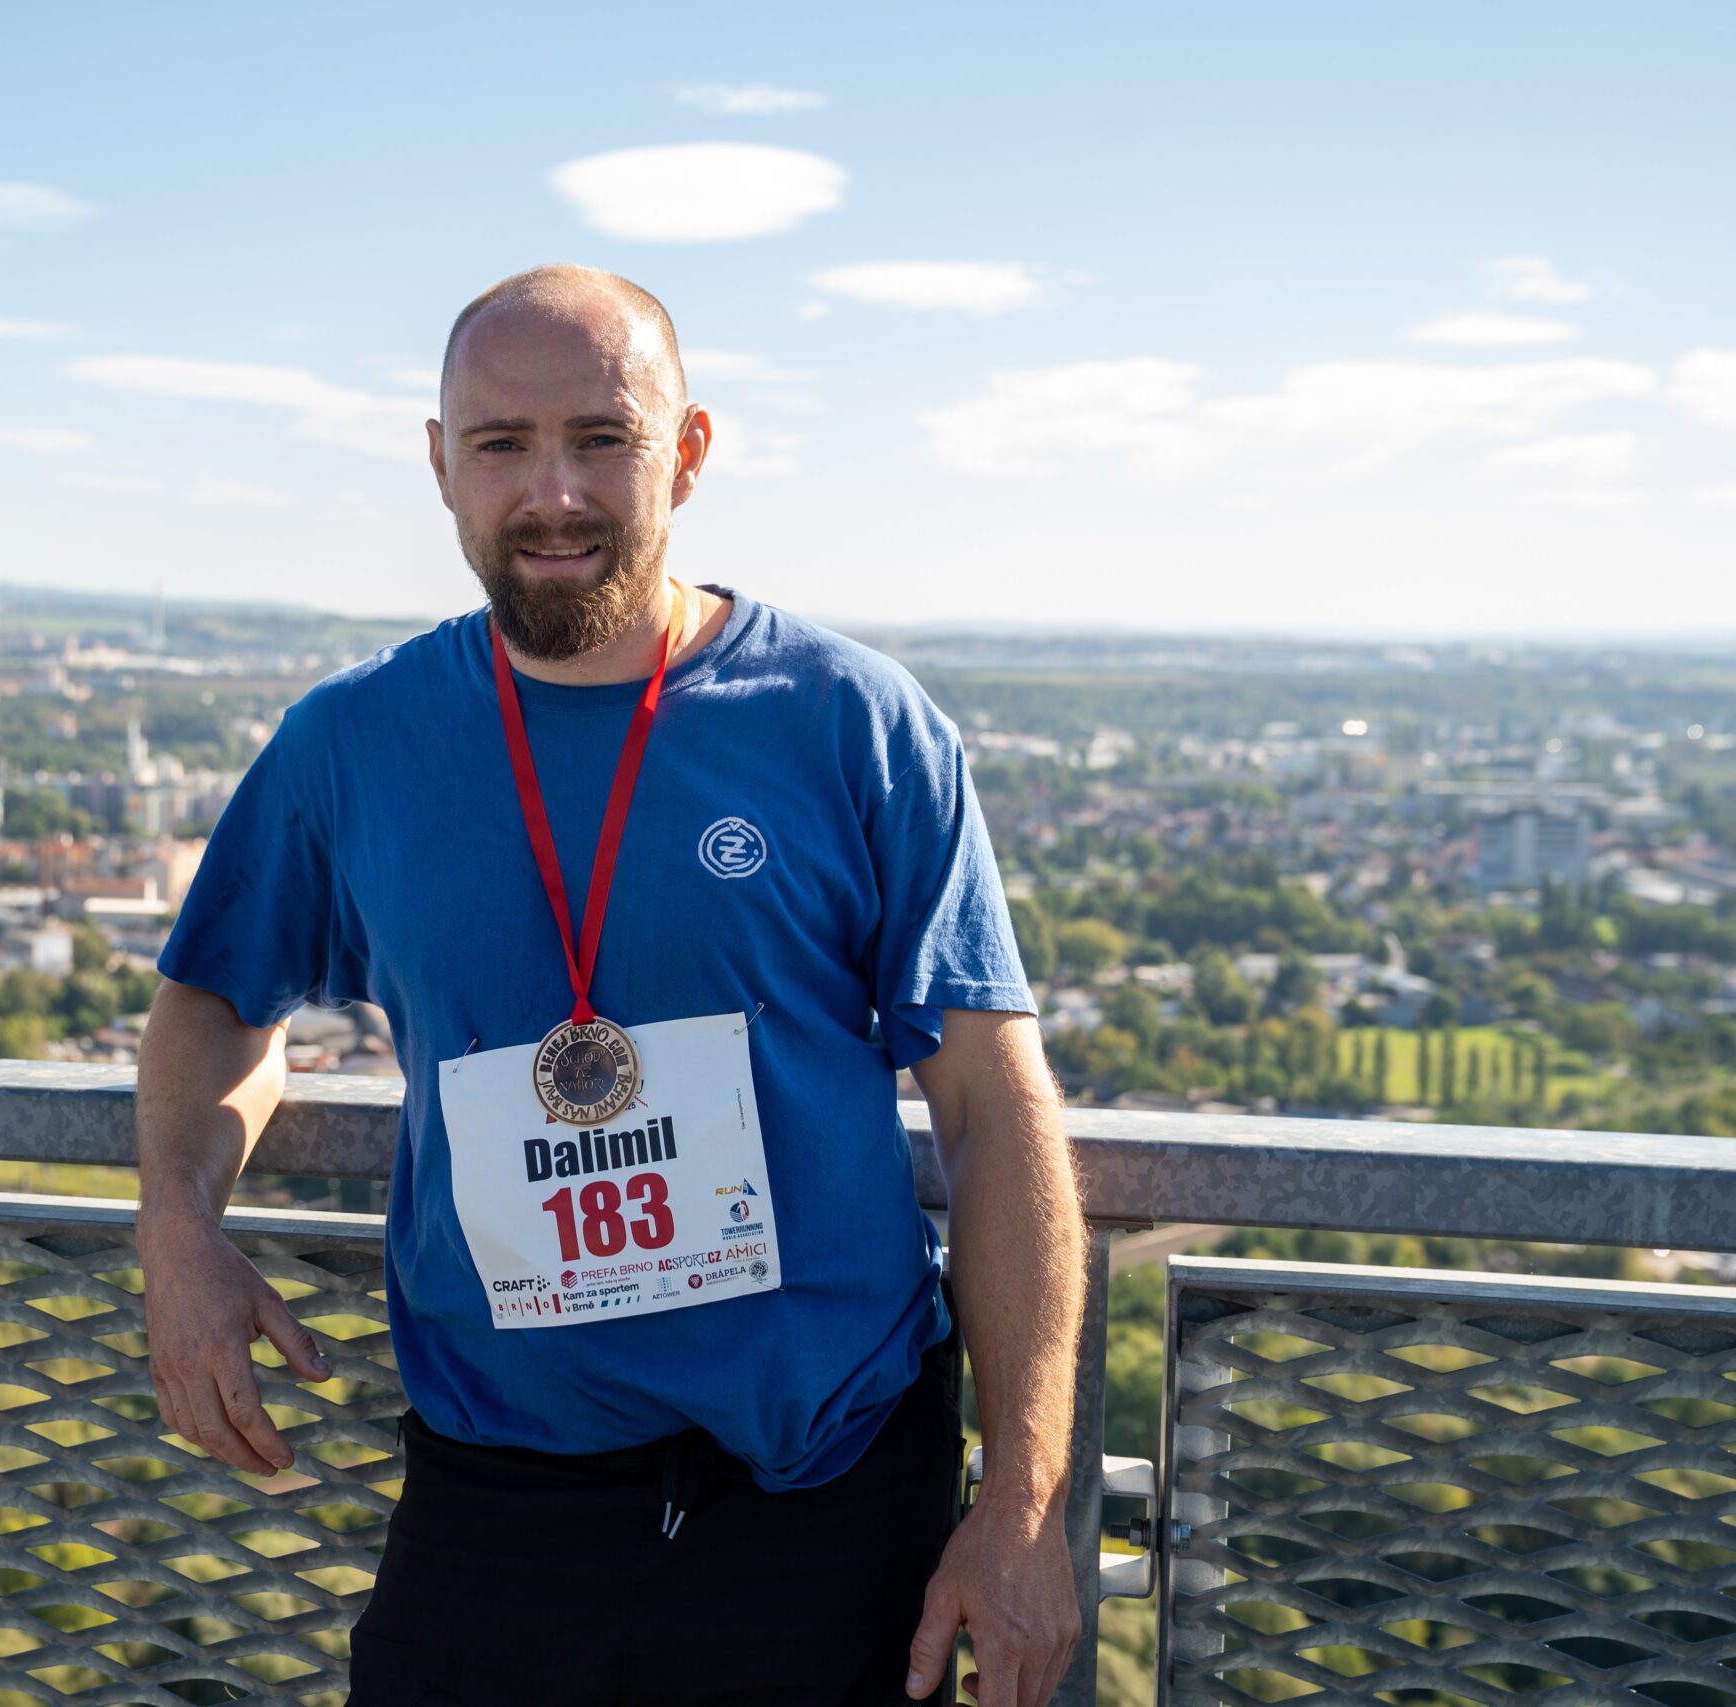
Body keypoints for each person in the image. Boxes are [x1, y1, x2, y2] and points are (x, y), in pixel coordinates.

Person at [133, 265, 1085, 1706]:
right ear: (440, 464)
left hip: (827, 1498)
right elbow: (215, 1007)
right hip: (498, 1498)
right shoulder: (354, 743)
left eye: (602, 439)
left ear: (686, 452)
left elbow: (993, 1109)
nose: (554, 493)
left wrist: (1021, 1500)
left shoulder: (851, 722)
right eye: (501, 444)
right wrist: (178, 1226)